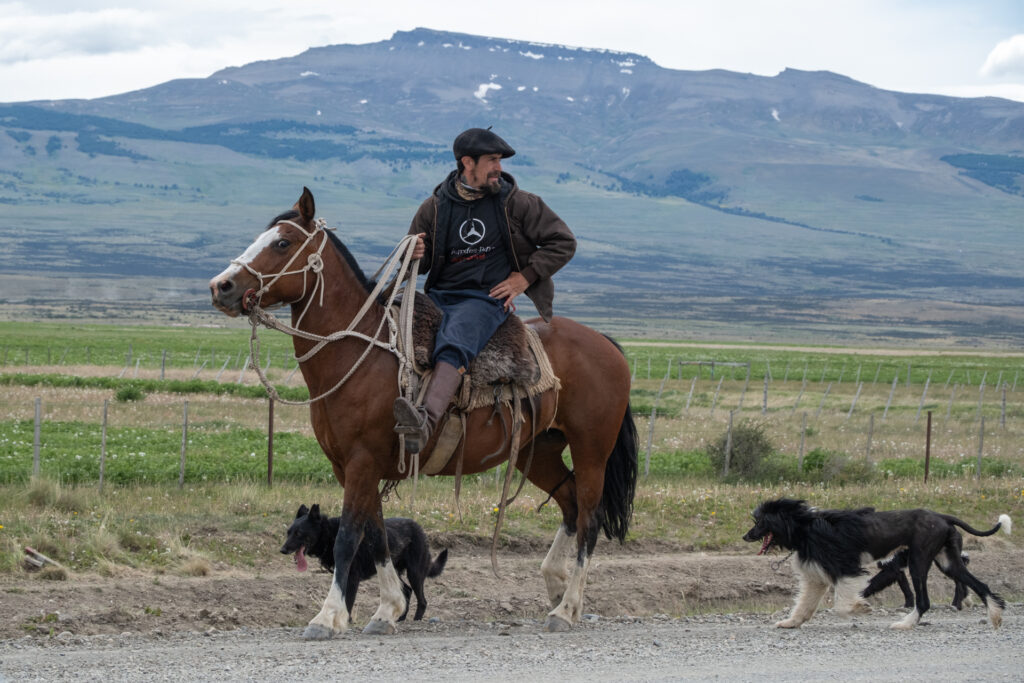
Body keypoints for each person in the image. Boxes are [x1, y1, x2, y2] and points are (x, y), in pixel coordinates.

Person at [393, 127, 577, 454]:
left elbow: (563, 242)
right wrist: (414, 255)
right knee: (389, 315)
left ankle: (425, 424)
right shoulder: (433, 208)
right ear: (468, 163)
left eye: (499, 161)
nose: (499, 168)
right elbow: (413, 267)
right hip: (439, 296)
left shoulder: (518, 204)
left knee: (457, 335)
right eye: (492, 160)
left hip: (485, 299)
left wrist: (526, 277)